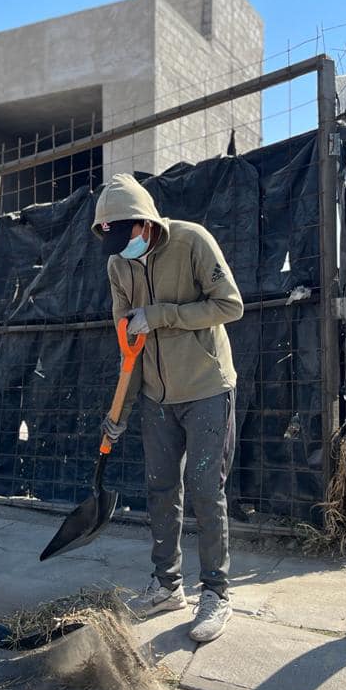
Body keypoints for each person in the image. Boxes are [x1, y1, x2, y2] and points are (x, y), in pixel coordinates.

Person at [93, 173, 243, 643]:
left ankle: (216, 592)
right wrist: (121, 410)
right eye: (112, 240)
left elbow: (230, 305)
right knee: (159, 487)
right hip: (158, 395)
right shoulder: (119, 265)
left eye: (126, 236)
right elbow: (129, 345)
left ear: (146, 223)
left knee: (204, 488)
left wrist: (160, 315)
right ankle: (166, 586)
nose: (121, 248)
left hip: (205, 388)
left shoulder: (192, 242)